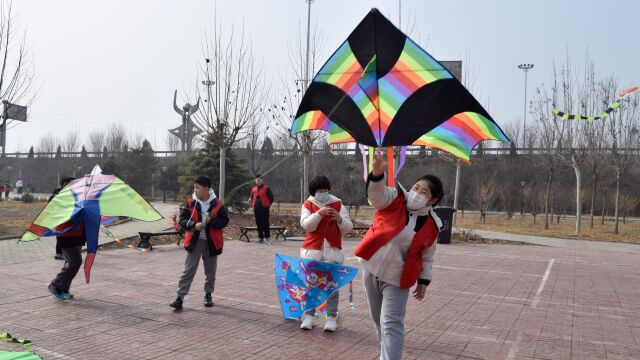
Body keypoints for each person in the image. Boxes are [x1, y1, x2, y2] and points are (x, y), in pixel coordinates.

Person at [355, 151, 443, 360]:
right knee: (379, 320)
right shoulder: (395, 198)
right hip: (371, 268)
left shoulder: (432, 225)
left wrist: (424, 281)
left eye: (424, 192)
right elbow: (376, 195)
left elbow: (428, 256)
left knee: (391, 323)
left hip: (397, 278)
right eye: (416, 188)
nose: (417, 193)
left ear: (434, 199)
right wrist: (377, 173)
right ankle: (386, 353)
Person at [299, 175, 353, 332]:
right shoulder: (308, 204)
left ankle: (331, 318)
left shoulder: (337, 203)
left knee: (332, 288)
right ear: (314, 192)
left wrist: (339, 220)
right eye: (320, 191)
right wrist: (319, 214)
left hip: (332, 253)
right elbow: (306, 226)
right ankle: (309, 317)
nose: (323, 193)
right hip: (312, 252)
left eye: (325, 190)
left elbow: (348, 228)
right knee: (311, 287)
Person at [170, 175, 229, 311]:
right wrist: (193, 225)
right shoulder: (191, 202)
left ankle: (208, 294)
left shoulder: (217, 204)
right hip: (194, 242)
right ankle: (180, 297)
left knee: (210, 271)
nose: (195, 190)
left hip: (211, 243)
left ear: (207, 189)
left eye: (198, 187)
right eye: (194, 187)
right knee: (188, 270)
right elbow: (183, 220)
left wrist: (211, 222)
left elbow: (224, 221)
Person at [47, 194, 86, 301]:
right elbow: (66, 217)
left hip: (78, 236)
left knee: (69, 263)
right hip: (66, 236)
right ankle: (55, 285)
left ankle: (63, 288)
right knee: (75, 262)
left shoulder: (79, 200)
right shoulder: (61, 199)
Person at [51, 177, 76, 260]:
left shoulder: (74, 192)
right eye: (66, 184)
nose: (67, 185)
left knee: (68, 236)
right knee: (60, 236)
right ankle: (59, 253)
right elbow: (51, 202)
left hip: (70, 217)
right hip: (59, 217)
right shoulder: (58, 191)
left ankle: (68, 252)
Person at [249, 174, 274, 244]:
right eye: (257, 180)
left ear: (262, 180)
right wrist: (252, 203)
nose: (258, 181)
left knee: (265, 223)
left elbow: (271, 198)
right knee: (258, 223)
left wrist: (267, 205)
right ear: (255, 181)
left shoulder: (267, 188)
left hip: (264, 208)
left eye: (260, 180)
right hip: (256, 209)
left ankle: (267, 238)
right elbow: (252, 198)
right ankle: (260, 237)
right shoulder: (253, 189)